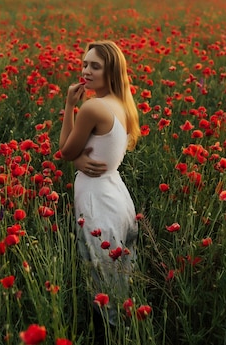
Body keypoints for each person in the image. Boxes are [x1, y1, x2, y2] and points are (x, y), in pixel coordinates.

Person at [59, 40, 140, 330]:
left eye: (95, 66)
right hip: (116, 195)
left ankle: (112, 335)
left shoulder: (93, 107)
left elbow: (65, 150)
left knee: (103, 285)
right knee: (120, 280)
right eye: (84, 64)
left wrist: (70, 105)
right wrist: (80, 159)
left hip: (98, 200)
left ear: (111, 72)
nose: (86, 71)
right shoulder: (123, 104)